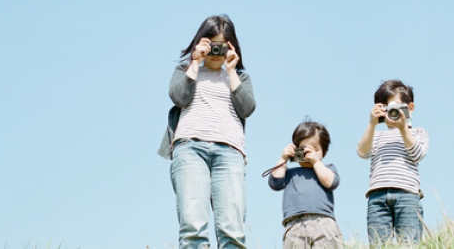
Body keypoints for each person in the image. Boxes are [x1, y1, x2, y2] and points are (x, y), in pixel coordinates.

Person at [158, 14, 256, 249]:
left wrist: (231, 71)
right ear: (200, 42)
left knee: (233, 231)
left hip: (230, 152)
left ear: (231, 47)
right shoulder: (185, 71)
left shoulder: (240, 77)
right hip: (189, 149)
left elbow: (247, 108)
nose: (215, 52)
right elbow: (179, 97)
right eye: (211, 44)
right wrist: (194, 62)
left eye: (220, 46)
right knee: (193, 229)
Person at [356, 79, 429, 246]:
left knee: (409, 243)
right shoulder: (377, 135)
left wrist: (403, 128)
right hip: (377, 195)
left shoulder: (418, 132)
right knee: (379, 244)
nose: (391, 112)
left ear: (410, 108)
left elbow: (417, 154)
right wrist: (372, 123)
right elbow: (363, 152)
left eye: (395, 108)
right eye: (386, 108)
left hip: (407, 194)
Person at [267, 120, 344, 249]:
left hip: (323, 222)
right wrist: (283, 158)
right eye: (304, 149)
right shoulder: (290, 173)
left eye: (314, 149)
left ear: (324, 152)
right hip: (294, 224)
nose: (309, 154)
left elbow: (331, 182)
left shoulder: (327, 168)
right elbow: (275, 182)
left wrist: (316, 162)